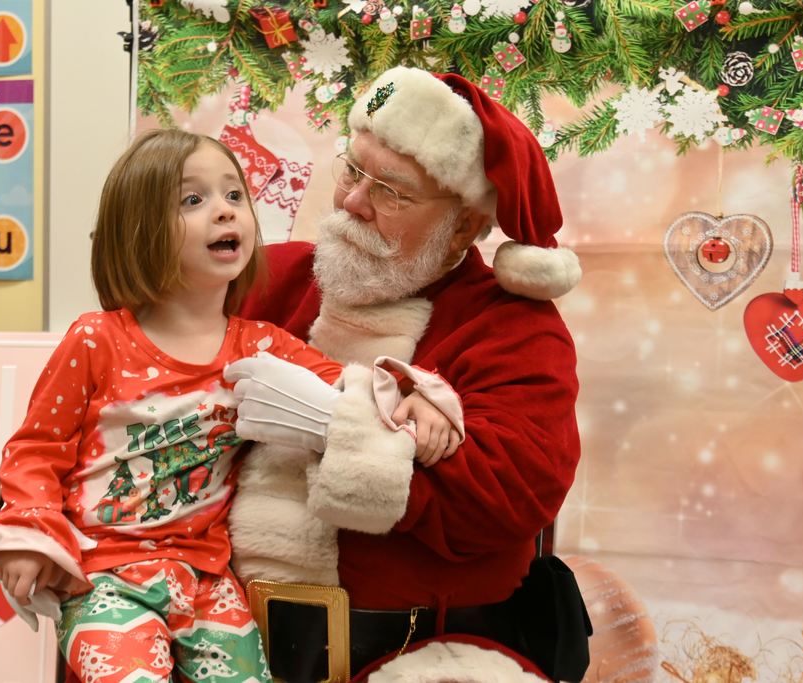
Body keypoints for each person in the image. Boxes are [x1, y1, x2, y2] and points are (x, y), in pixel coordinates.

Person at [0, 129, 463, 683]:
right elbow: (37, 449)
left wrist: (415, 393)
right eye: (194, 200)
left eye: (235, 196)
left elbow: (349, 384)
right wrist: (28, 534)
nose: (225, 212)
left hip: (207, 582)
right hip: (102, 578)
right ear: (139, 232)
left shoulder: (257, 344)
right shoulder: (96, 341)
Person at [228, 66, 587, 681]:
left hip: (409, 656)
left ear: (466, 225)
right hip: (228, 644)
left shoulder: (513, 328)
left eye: (392, 191)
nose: (351, 202)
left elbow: (511, 493)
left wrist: (337, 426)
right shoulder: (266, 280)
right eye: (351, 169)